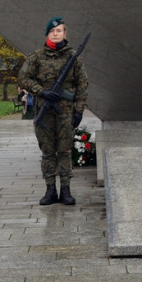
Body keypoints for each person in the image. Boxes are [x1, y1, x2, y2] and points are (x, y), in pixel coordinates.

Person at [18, 16, 89, 206]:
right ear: (47, 34)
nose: (56, 34)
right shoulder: (36, 57)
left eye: (59, 31)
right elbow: (23, 78)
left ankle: (65, 190)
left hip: (65, 112)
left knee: (64, 151)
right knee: (48, 152)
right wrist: (42, 91)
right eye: (52, 31)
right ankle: (50, 190)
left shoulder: (74, 58)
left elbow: (82, 85)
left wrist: (79, 110)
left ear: (65, 33)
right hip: (44, 111)